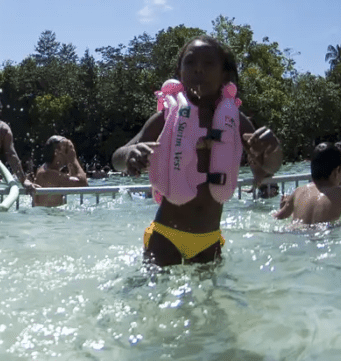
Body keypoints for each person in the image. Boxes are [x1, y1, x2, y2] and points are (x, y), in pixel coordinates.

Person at [112, 35, 282, 267]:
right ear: (180, 72)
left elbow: (265, 172)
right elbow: (117, 159)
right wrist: (130, 155)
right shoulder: (166, 118)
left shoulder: (235, 121)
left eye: (209, 63)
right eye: (190, 62)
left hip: (209, 240)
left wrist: (272, 149)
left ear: (224, 74)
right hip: (165, 237)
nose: (198, 69)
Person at [33, 135, 88, 207]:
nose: (70, 151)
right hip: (48, 217)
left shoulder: (48, 170)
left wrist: (70, 162)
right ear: (56, 152)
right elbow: (83, 184)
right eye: (66, 149)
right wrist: (73, 159)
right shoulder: (47, 174)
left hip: (50, 215)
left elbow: (74, 177)